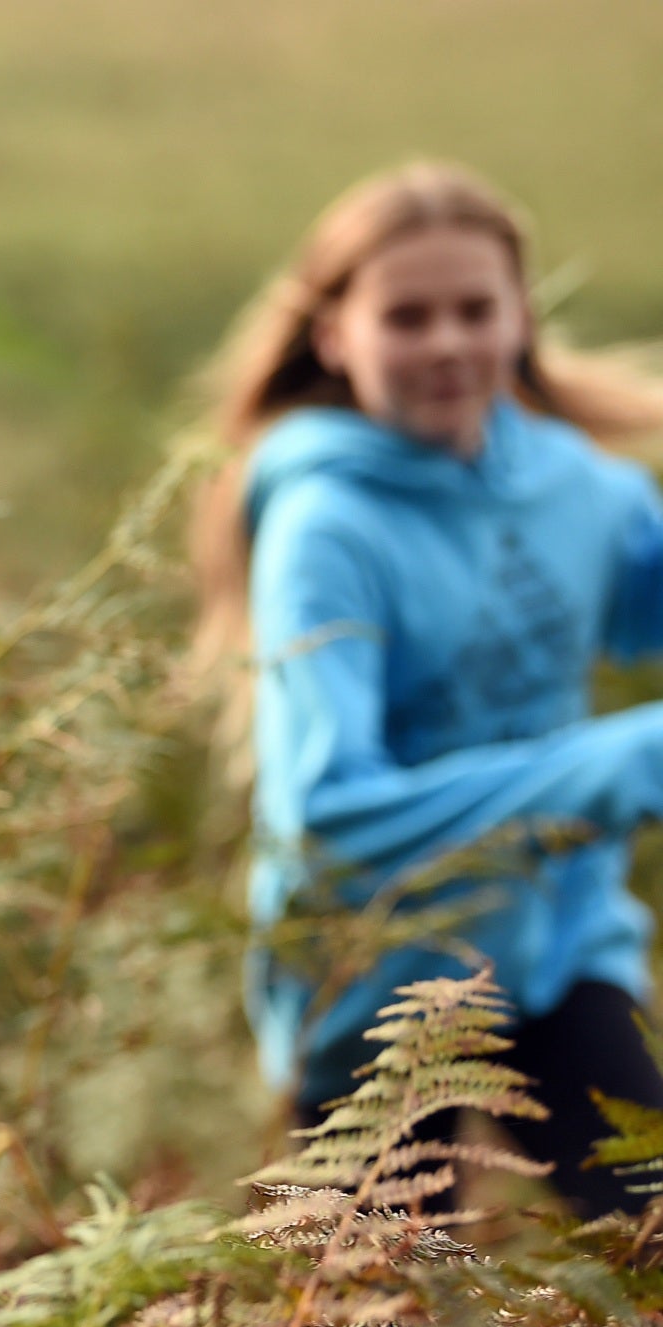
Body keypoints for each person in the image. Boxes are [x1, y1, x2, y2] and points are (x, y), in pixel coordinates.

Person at [194, 161, 663, 1216]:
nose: (447, 342)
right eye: (407, 316)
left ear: (520, 319)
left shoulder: (583, 485)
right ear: (335, 335)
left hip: (558, 947)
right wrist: (620, 763)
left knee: (656, 1258)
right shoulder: (328, 527)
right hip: (375, 982)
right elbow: (327, 812)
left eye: (473, 309)